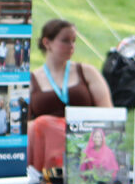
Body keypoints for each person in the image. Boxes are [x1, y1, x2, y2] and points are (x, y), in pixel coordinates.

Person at [28, 19, 113, 171]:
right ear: (47, 43)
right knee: (41, 124)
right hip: (46, 150)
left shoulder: (87, 72)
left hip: (86, 140)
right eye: (65, 41)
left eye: (74, 41)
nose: (71, 46)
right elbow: (25, 124)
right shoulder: (31, 80)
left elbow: (108, 114)